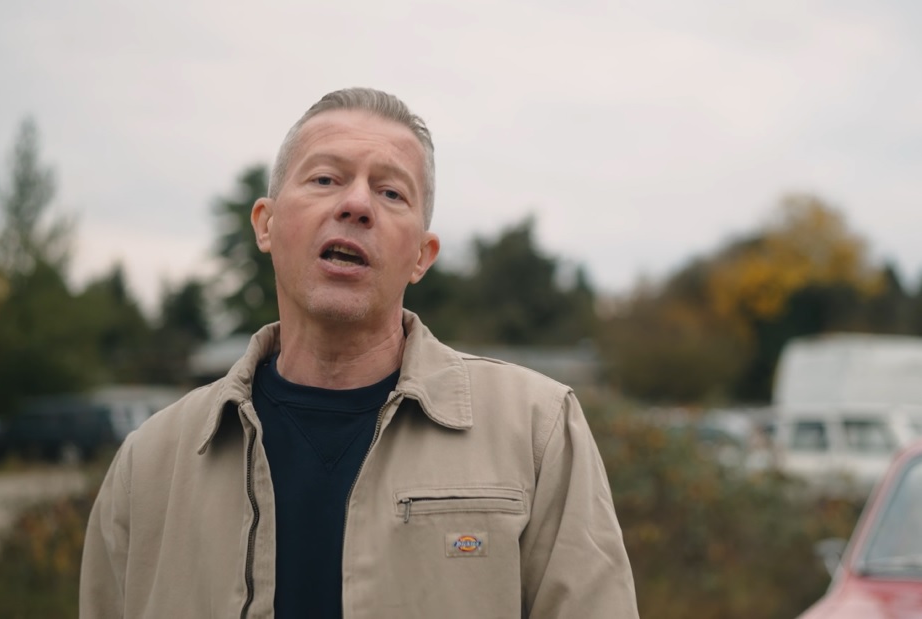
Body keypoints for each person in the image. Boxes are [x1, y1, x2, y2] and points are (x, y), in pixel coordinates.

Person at [80, 87, 639, 618]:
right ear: (266, 224)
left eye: (391, 192)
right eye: (325, 178)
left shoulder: (538, 430)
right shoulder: (149, 463)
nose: (356, 204)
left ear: (422, 255)